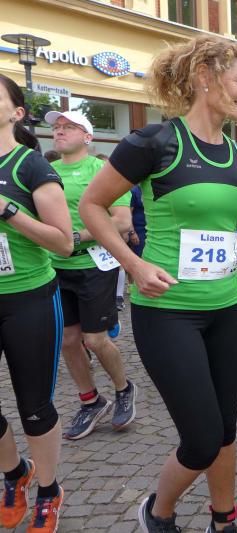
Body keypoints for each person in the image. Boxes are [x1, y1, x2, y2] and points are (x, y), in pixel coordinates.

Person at [79, 35, 237, 533]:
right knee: (202, 438)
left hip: (225, 309)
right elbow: (91, 206)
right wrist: (133, 265)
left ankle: (223, 520)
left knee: (225, 430)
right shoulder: (155, 143)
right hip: (168, 312)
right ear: (204, 77)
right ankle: (157, 511)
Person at [0, 73, 72, 533]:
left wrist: (7, 210)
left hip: (28, 299)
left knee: (34, 407)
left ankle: (48, 491)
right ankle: (14, 474)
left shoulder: (31, 166)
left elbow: (64, 242)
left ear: (17, 112)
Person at [45, 110, 137, 441]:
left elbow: (123, 220)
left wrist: (77, 237)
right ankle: (90, 400)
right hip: (55, 267)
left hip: (94, 265)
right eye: (56, 127)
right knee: (68, 340)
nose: (59, 131)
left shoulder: (102, 170)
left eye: (68, 127)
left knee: (95, 339)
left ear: (87, 136)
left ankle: (124, 388)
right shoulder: (45, 171)